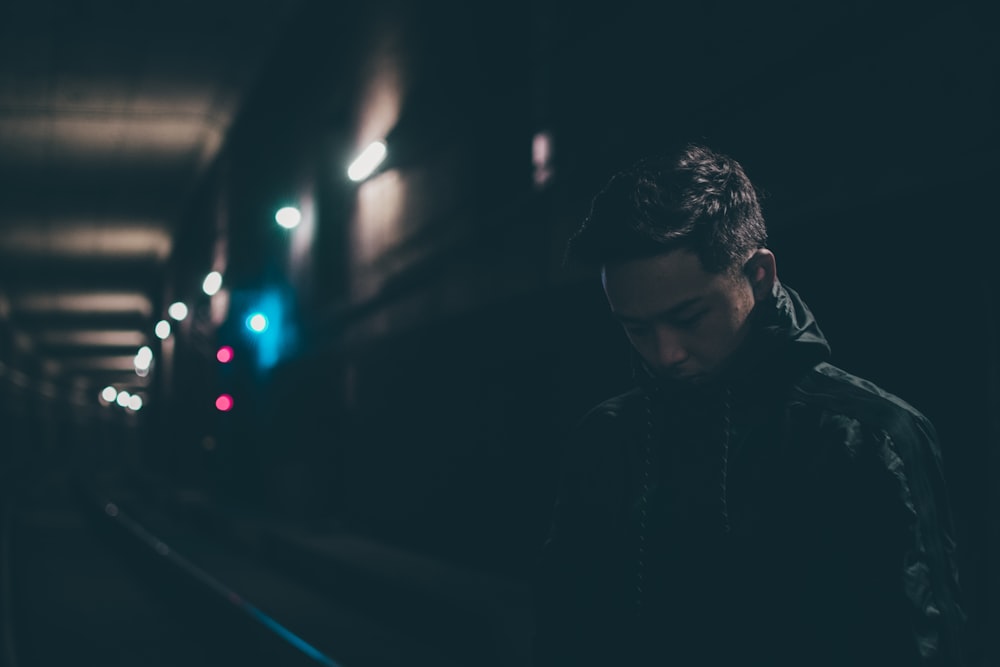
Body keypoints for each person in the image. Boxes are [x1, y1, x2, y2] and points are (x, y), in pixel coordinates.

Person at [532, 144, 966, 666]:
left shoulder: (869, 438)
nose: (666, 353)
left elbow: (917, 649)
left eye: (689, 317)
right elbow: (567, 634)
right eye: (636, 328)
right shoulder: (605, 439)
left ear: (759, 277)